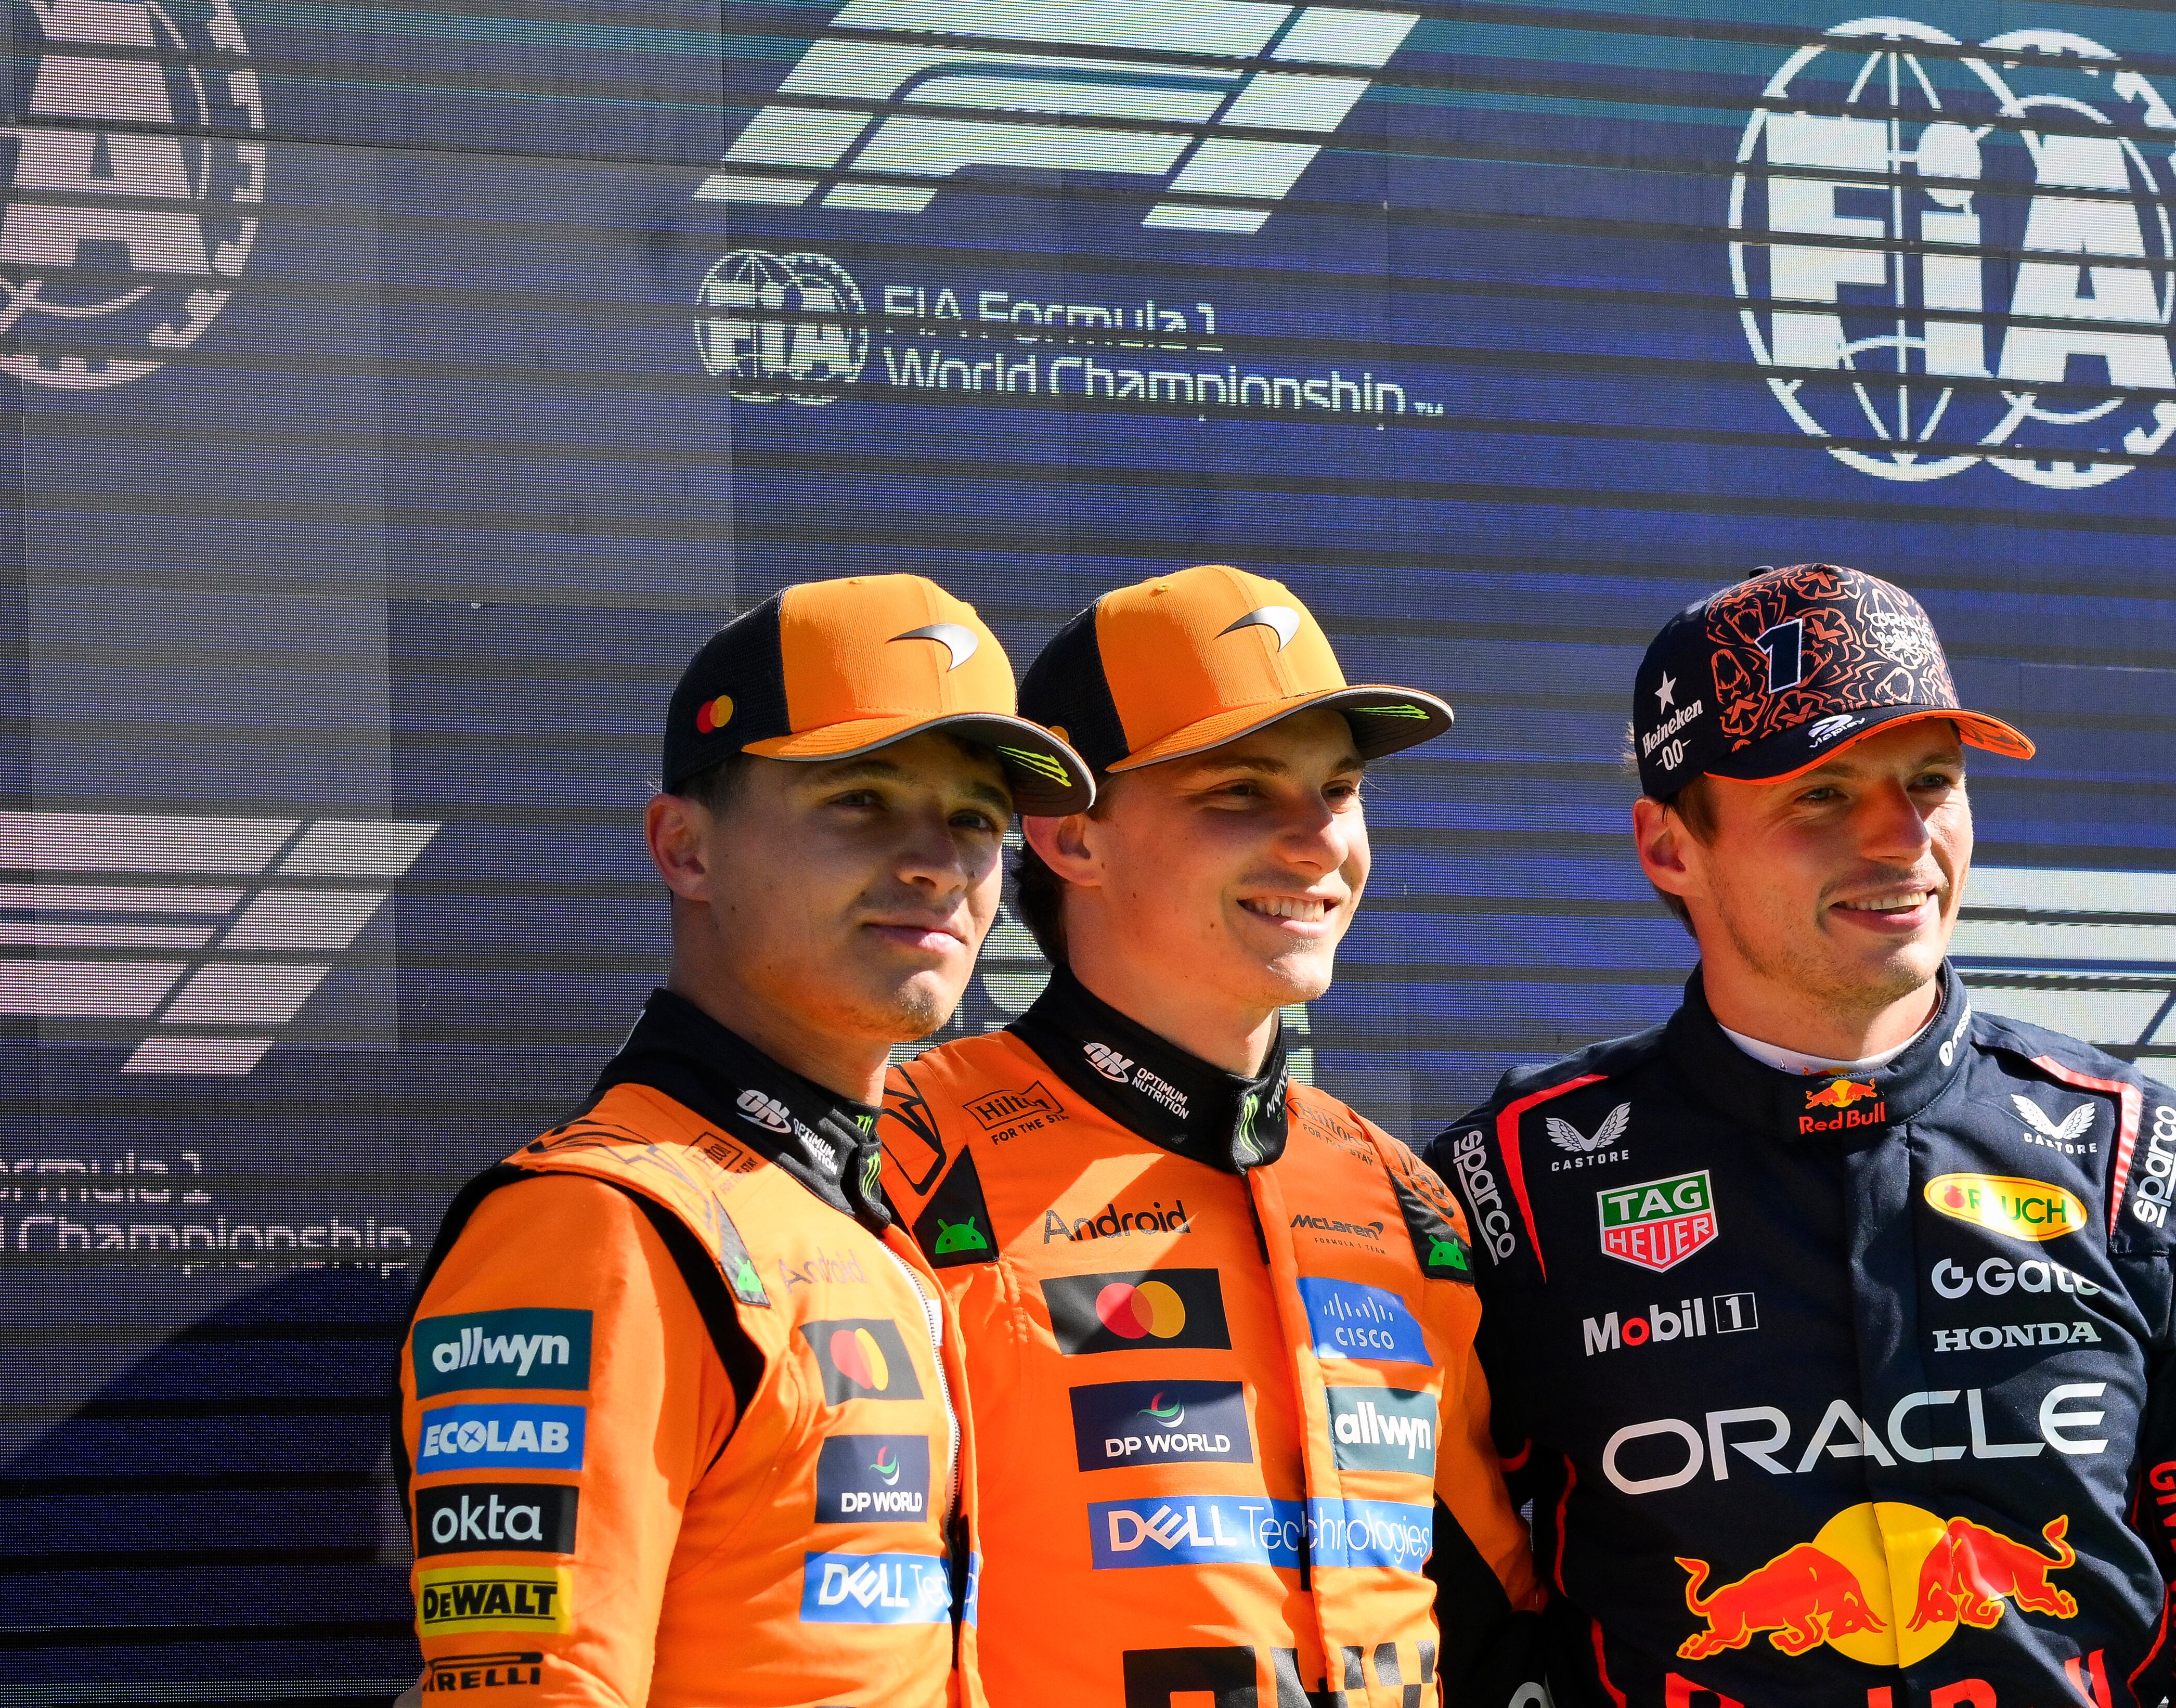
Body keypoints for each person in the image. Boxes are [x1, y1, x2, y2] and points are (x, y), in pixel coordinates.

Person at [1426, 564, 2176, 1708]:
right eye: (1822, 793)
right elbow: (1441, 1614)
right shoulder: (1513, 1181)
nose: (1900, 834)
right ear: (1670, 846)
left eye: (1932, 779)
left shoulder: (2134, 1153)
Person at [392, 575, 1093, 1707]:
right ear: (685, 848)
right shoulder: (597, 1221)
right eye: (862, 800)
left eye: (974, 818)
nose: (937, 863)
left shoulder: (877, 1210)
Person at [873, 564, 1543, 1708]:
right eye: (1241, 792)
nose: (1317, 842)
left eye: (1339, 789)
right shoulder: (902, 1153)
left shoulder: (1401, 1191)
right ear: (1071, 835)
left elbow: (1488, 1612)